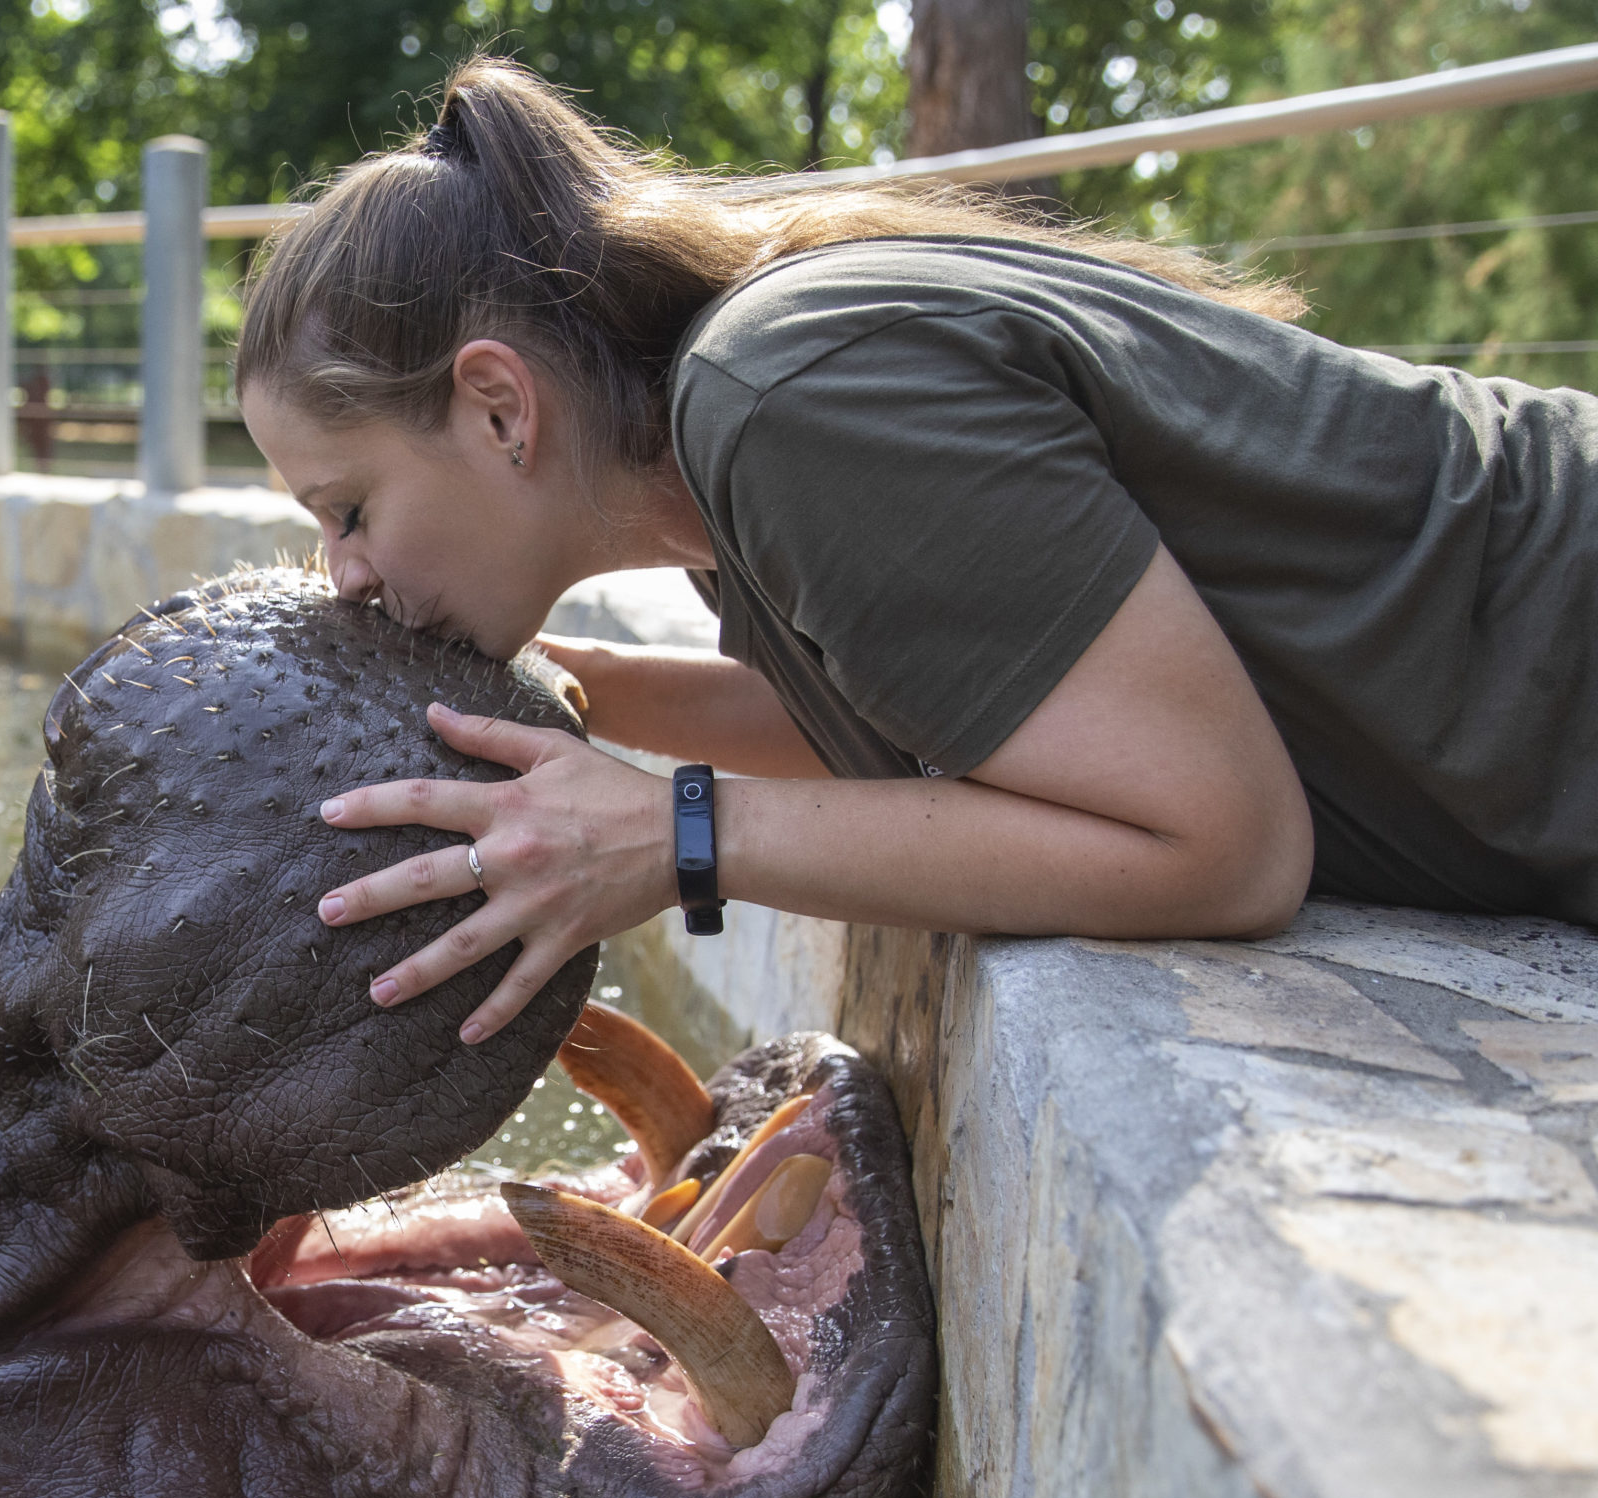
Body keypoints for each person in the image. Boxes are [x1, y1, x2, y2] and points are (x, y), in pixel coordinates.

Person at [235, 56, 1598, 1046]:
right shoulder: (718, 442)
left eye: (347, 509)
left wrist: (678, 835)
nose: (343, 573)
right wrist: (587, 693)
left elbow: (1228, 850)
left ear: (496, 406)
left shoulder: (790, 399)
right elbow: (942, 700)